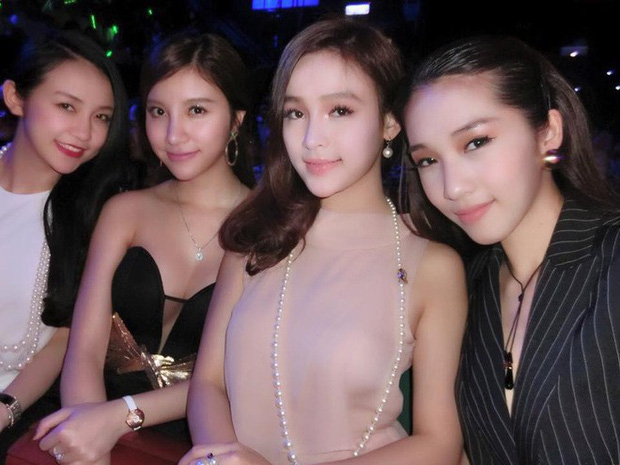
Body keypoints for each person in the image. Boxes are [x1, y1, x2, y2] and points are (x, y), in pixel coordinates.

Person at [180, 17, 467, 465]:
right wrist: (220, 459)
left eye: (340, 110)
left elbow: (439, 443)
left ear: (390, 122)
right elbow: (208, 384)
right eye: (296, 113)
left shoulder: (431, 264)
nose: (312, 139)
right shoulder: (257, 237)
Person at [34, 31, 254, 465]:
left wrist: (118, 417)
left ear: (236, 120)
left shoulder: (270, 227)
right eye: (158, 111)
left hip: (206, 443)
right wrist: (90, 438)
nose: (173, 134)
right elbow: (85, 350)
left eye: (196, 110)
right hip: (94, 428)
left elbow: (239, 377)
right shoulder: (125, 211)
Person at [400, 35, 620, 465]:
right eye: (428, 160)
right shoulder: (467, 288)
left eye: (476, 142)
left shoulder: (611, 263)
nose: (452, 187)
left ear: (548, 133)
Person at [0, 30, 133, 459]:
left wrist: (6, 408)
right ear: (15, 97)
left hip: (18, 413)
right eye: (67, 107)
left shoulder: (97, 216)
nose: (84, 132)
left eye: (101, 117)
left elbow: (65, 338)